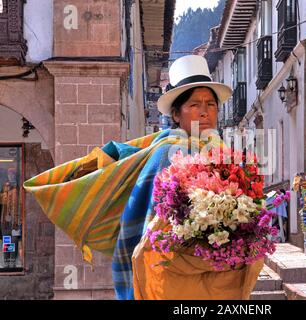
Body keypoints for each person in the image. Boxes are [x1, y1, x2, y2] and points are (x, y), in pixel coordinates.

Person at [24, 55, 263, 300]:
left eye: (210, 104)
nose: (204, 112)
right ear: (176, 115)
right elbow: (153, 219)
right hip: (174, 271)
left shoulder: (224, 152)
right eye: (194, 105)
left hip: (217, 270)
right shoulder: (166, 153)